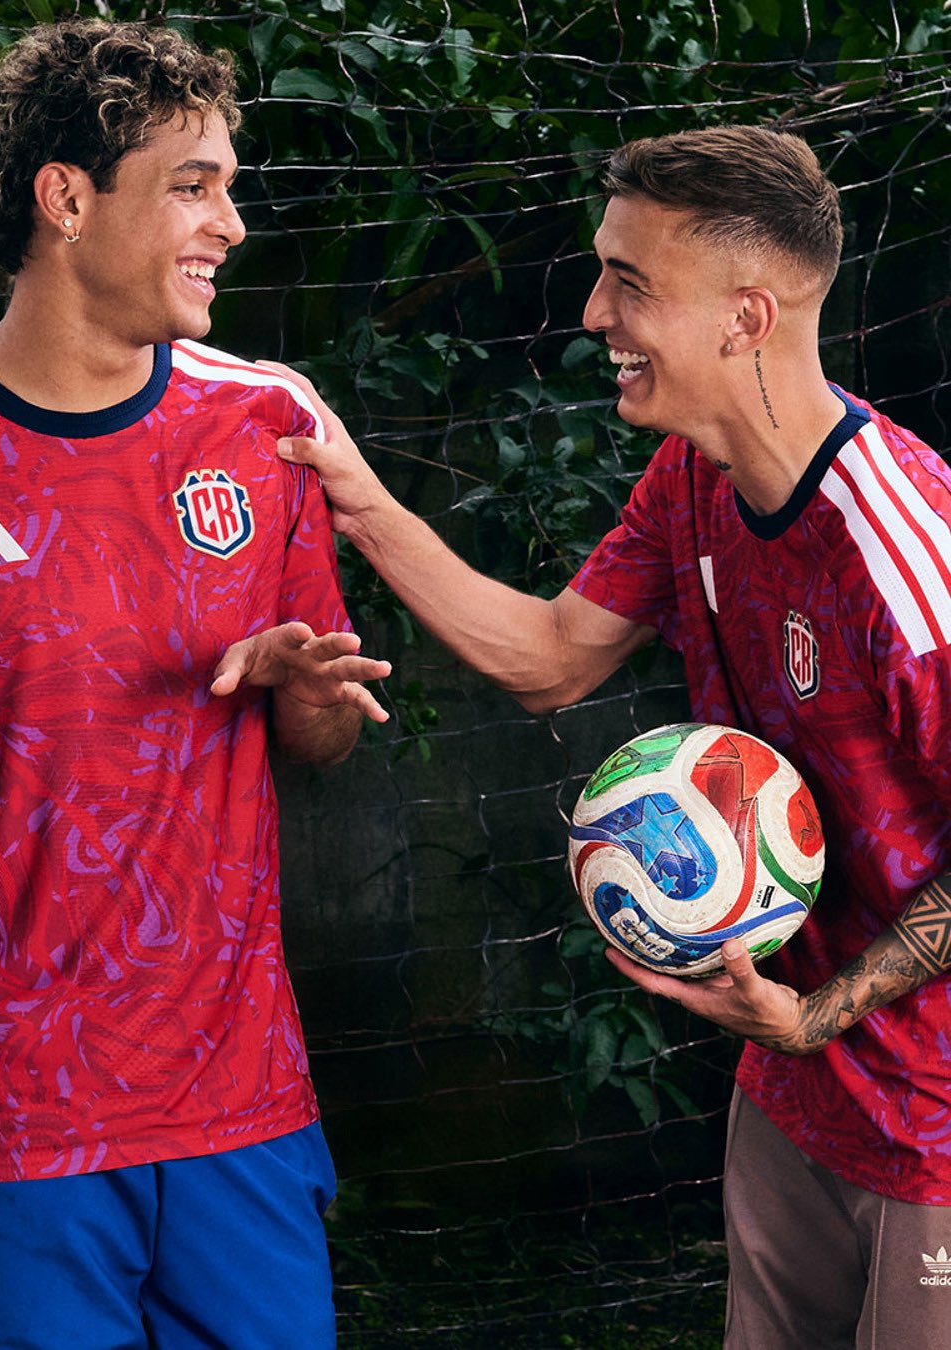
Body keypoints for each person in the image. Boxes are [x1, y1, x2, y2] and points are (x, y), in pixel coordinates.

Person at [273, 125, 951, 1348]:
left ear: (747, 318)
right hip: (794, 1091)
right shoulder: (690, 481)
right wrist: (356, 496)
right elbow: (549, 656)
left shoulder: (905, 554)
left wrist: (827, 1009)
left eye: (629, 281)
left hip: (934, 1123)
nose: (594, 313)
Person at [0, 19, 390, 1350]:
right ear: (66, 198)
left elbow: (323, 740)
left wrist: (303, 687)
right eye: (192, 185)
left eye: (230, 186)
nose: (232, 223)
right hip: (5, 1106)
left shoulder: (262, 425)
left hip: (239, 1101)